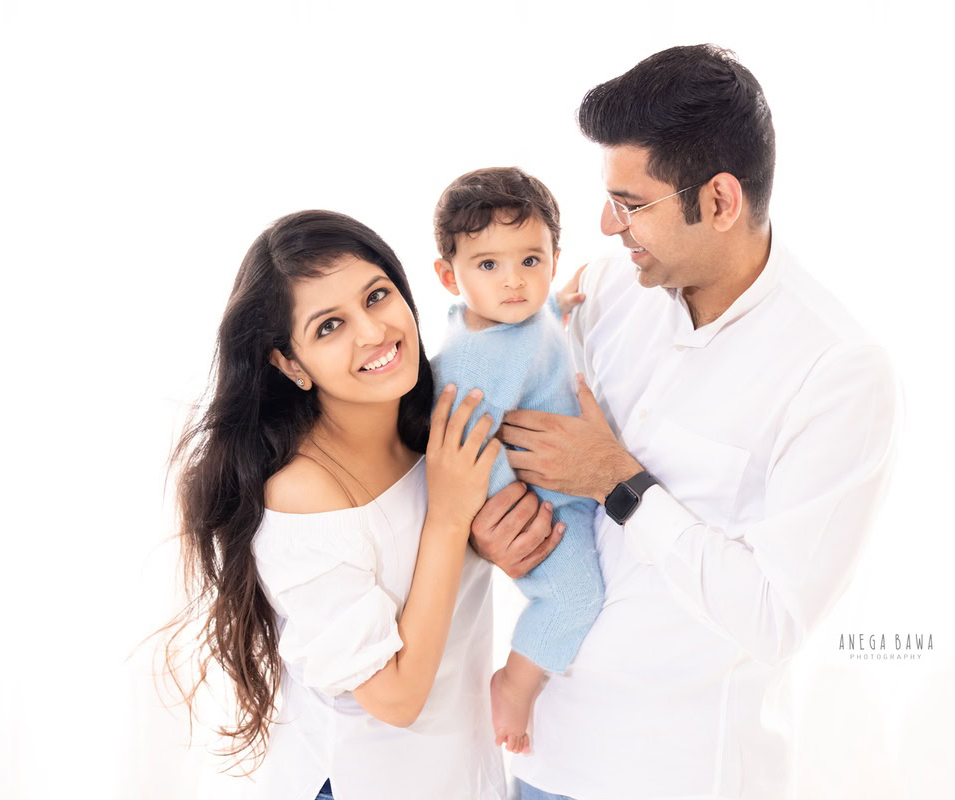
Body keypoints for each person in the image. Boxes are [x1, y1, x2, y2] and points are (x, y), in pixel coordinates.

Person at [467, 45, 900, 799]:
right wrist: (496, 534)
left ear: (722, 201)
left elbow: (774, 616)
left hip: (676, 776)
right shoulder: (606, 292)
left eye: (632, 203)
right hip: (536, 759)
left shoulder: (836, 373)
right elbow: (533, 448)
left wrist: (620, 482)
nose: (607, 224)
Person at [165, 210, 513, 799]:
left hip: (462, 774)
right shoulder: (306, 494)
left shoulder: (431, 424)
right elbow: (397, 699)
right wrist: (451, 518)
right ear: (289, 363)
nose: (373, 333)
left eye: (377, 296)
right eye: (329, 327)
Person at [429, 167, 605, 755]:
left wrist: (561, 304)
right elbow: (468, 447)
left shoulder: (520, 319)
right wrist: (513, 506)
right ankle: (517, 685)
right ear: (449, 276)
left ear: (555, 257)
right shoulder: (475, 365)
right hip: (545, 512)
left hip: (574, 486)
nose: (513, 283)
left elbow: (532, 328)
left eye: (530, 262)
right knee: (576, 595)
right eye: (488, 266)